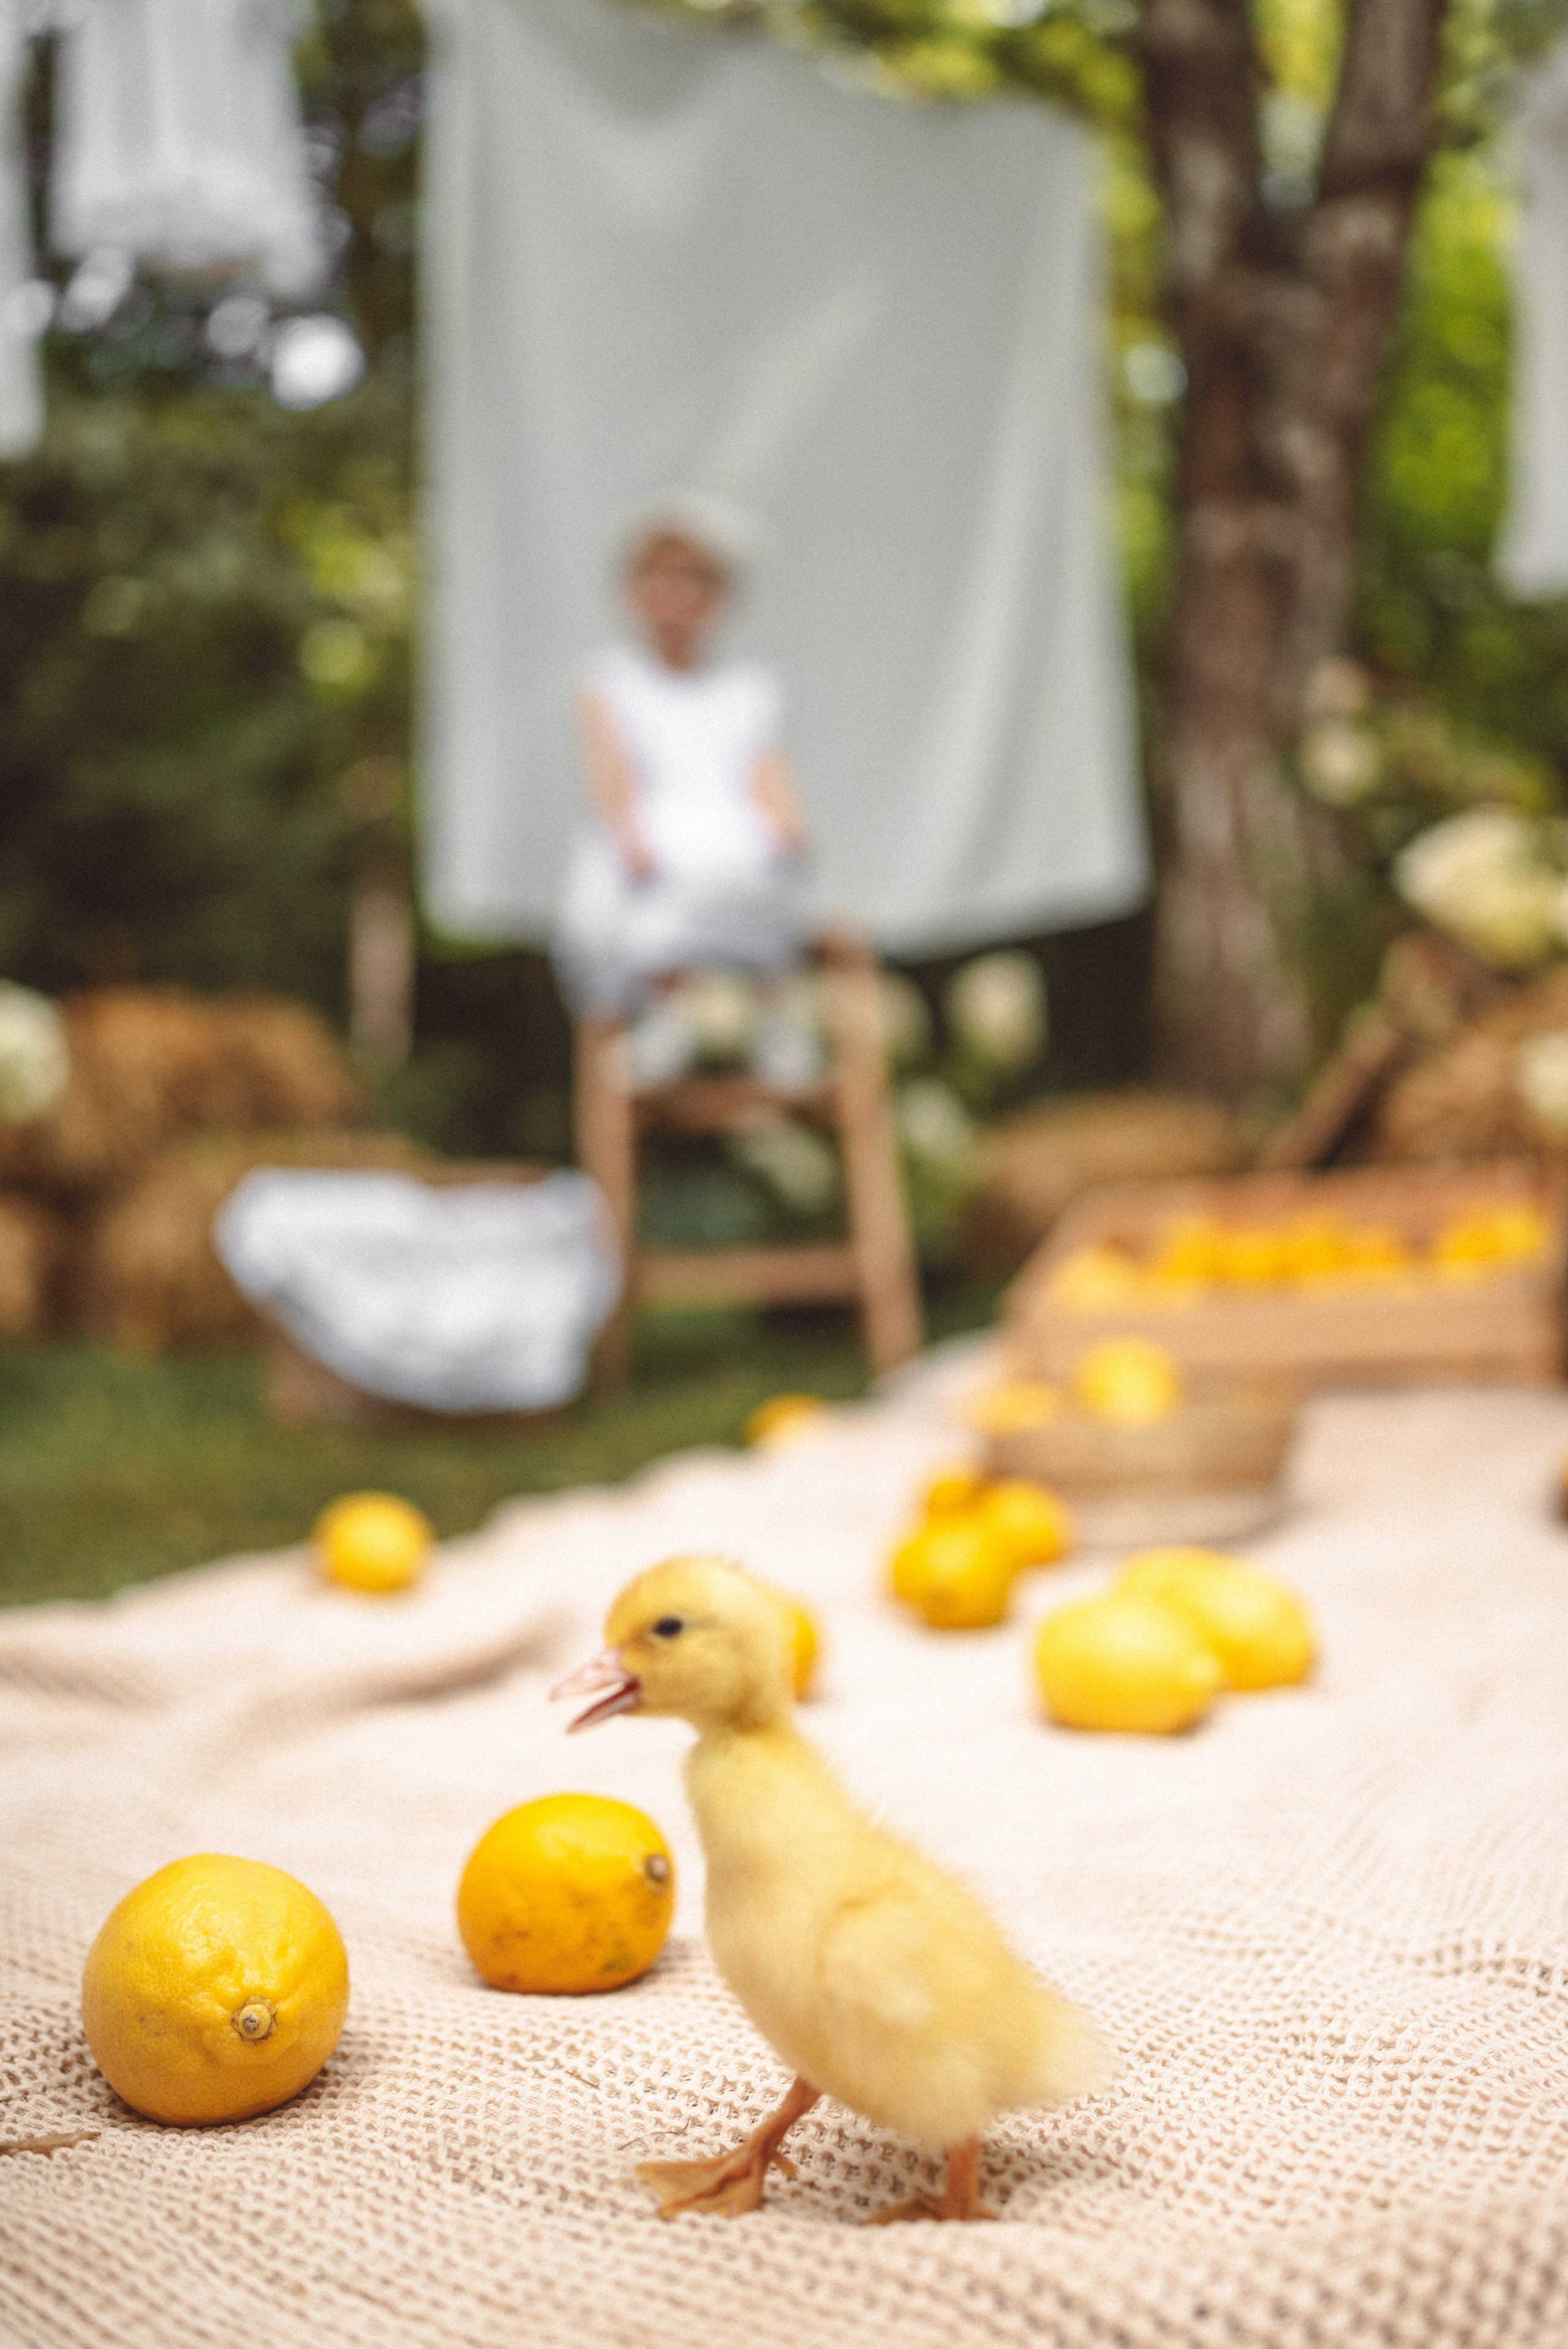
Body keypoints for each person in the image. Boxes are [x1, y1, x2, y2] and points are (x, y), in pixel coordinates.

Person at [551, 496, 820, 1088]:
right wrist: (633, 841)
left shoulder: (750, 689)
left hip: (732, 841)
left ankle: (775, 1024)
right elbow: (612, 780)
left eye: (694, 579)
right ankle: (665, 1015)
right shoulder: (610, 681)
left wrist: (788, 832)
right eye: (660, 575)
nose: (675, 595)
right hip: (656, 842)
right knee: (637, 907)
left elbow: (768, 777)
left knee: (766, 883)